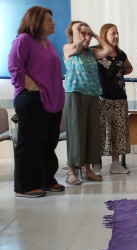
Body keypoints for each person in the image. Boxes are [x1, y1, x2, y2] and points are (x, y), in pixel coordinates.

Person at [8, 6, 65, 197]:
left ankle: (46, 179)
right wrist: (35, 88)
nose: (54, 22)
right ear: (37, 21)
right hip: (31, 99)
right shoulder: (24, 40)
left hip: (51, 100)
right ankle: (24, 186)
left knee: (48, 142)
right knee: (30, 143)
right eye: (49, 19)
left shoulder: (47, 43)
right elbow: (15, 68)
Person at [63, 21, 113, 185]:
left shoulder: (91, 52)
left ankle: (87, 170)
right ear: (74, 33)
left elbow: (108, 50)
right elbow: (77, 43)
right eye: (82, 33)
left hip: (92, 94)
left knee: (91, 133)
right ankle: (71, 171)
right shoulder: (68, 49)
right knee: (76, 132)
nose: (86, 37)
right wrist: (77, 28)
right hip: (75, 94)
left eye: (88, 34)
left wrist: (94, 33)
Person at [94, 23, 133, 175]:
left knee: (118, 132)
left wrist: (120, 73)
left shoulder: (121, 54)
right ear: (104, 35)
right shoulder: (96, 51)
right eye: (113, 33)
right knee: (100, 132)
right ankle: (95, 165)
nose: (117, 36)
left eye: (117, 33)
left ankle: (115, 164)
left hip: (120, 98)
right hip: (101, 99)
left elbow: (129, 68)